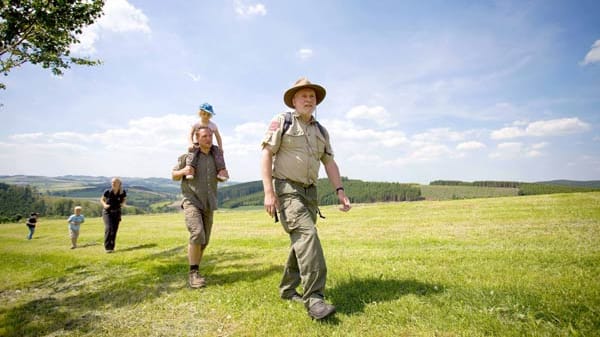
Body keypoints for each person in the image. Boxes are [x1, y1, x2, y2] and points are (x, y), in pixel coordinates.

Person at [260, 77, 351, 320]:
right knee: (308, 236)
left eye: (312, 96)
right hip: (287, 189)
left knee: (301, 240)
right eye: (303, 96)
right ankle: (314, 299)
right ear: (294, 100)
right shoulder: (283, 121)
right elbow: (266, 154)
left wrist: (340, 191)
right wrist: (269, 192)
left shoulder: (321, 130)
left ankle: (289, 290)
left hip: (311, 193)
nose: (308, 99)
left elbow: (329, 162)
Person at [172, 126, 219, 288]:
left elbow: (218, 176)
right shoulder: (188, 157)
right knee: (197, 233)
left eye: (210, 136)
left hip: (209, 202)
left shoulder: (216, 157)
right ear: (197, 139)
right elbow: (173, 175)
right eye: (205, 136)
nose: (208, 138)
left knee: (204, 241)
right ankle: (193, 273)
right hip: (191, 201)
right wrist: (183, 171)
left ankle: (196, 269)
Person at [184, 102, 229, 182]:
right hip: (198, 144)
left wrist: (220, 147)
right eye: (204, 114)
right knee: (193, 152)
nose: (206, 116)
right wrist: (191, 143)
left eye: (208, 115)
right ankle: (190, 169)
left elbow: (218, 137)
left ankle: (221, 171)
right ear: (200, 113)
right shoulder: (196, 124)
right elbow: (190, 134)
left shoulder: (213, 125)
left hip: (209, 145)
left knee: (218, 153)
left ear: (211, 116)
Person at [100, 177, 127, 253]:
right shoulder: (108, 191)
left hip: (117, 212)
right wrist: (104, 205)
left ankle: (112, 247)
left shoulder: (122, 192)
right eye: (112, 182)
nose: (113, 183)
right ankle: (107, 247)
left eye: (115, 182)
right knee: (109, 228)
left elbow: (124, 199)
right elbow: (102, 199)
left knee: (114, 230)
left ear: (119, 184)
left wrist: (123, 203)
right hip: (107, 212)